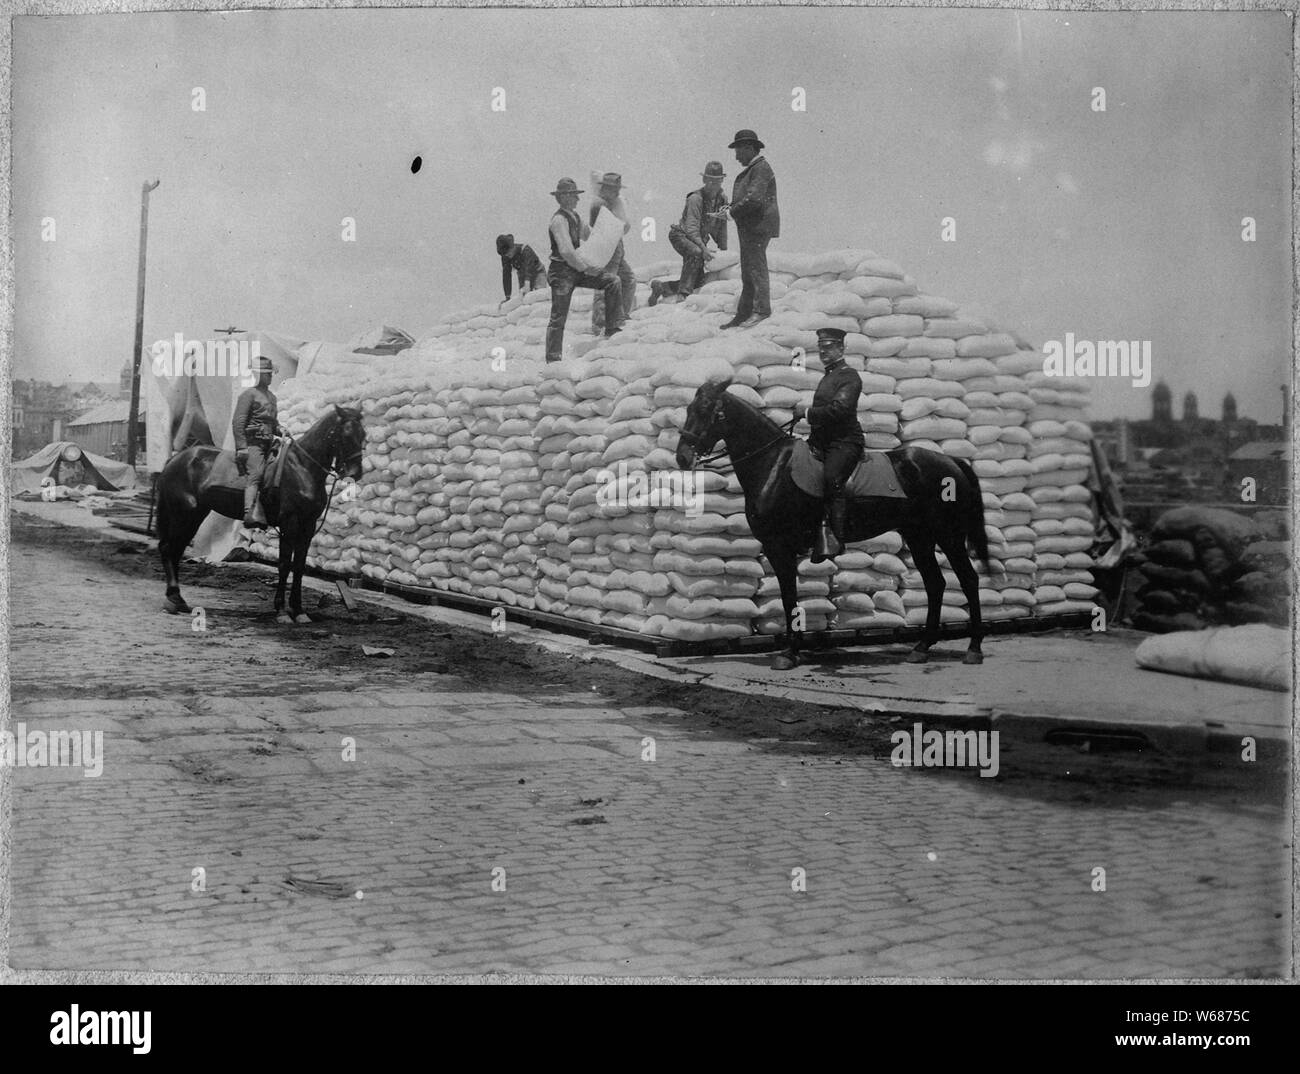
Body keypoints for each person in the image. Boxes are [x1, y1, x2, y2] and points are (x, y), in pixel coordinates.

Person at [793, 328, 863, 562]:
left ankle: (836, 538)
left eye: (829, 347)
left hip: (844, 442)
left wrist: (807, 413)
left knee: (832, 478)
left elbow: (840, 410)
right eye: (821, 348)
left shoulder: (849, 376)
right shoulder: (829, 375)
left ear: (841, 348)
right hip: (822, 441)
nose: (824, 351)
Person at [544, 177, 623, 363]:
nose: (577, 200)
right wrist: (586, 268)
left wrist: (610, 231)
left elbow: (588, 235)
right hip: (562, 273)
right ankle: (553, 358)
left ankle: (612, 328)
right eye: (573, 196)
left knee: (613, 281)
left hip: (576, 269)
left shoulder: (575, 217)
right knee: (558, 317)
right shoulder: (558, 220)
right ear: (562, 198)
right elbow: (566, 251)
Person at [720, 129, 779, 330]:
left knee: (755, 268)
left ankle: (761, 311)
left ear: (748, 148)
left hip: (758, 226)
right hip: (750, 227)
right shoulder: (754, 169)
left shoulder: (760, 168)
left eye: (738, 151)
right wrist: (730, 209)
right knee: (748, 269)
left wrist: (731, 213)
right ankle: (744, 313)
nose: (736, 157)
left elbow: (754, 199)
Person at [650, 161, 729, 306]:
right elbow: (692, 229)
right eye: (710, 180)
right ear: (704, 180)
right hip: (681, 235)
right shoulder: (696, 198)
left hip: (699, 240)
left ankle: (662, 287)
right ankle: (683, 295)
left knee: (698, 280)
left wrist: (724, 252)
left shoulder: (722, 199)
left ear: (722, 180)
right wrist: (704, 248)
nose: (714, 184)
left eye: (717, 181)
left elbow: (721, 227)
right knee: (695, 252)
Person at [232, 355, 283, 529]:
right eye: (267, 373)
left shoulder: (272, 397)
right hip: (253, 443)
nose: (271, 376)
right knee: (257, 474)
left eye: (271, 373)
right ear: (259, 375)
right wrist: (241, 447)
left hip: (270, 443)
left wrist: (280, 430)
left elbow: (272, 423)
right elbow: (238, 421)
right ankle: (249, 513)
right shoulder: (248, 394)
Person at [588, 172, 637, 334]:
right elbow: (607, 227)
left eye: (617, 189)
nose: (617, 193)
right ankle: (600, 323)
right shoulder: (599, 205)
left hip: (617, 250)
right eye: (614, 189)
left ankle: (620, 316)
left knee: (628, 279)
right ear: (605, 188)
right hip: (606, 250)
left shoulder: (613, 203)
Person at [496, 234, 546, 304]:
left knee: (539, 296)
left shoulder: (525, 249)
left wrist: (527, 284)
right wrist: (507, 296)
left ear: (513, 247)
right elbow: (506, 275)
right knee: (524, 299)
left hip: (537, 271)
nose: (508, 256)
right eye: (506, 255)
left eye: (509, 252)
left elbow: (528, 268)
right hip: (522, 274)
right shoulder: (505, 257)